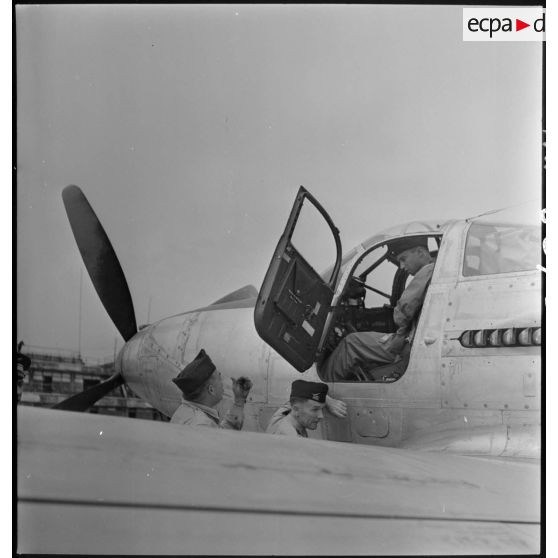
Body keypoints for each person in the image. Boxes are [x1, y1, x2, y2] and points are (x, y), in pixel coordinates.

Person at [320, 237, 434, 381]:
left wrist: (399, 335)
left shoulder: (427, 271)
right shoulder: (433, 272)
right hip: (413, 339)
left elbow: (402, 312)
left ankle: (322, 391)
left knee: (351, 343)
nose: (402, 266)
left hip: (408, 344)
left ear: (420, 252)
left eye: (403, 259)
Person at [170, 349, 252, 430]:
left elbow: (222, 435)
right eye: (219, 377)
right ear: (211, 390)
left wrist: (239, 401)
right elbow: (223, 440)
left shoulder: (185, 411)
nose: (222, 381)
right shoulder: (201, 425)